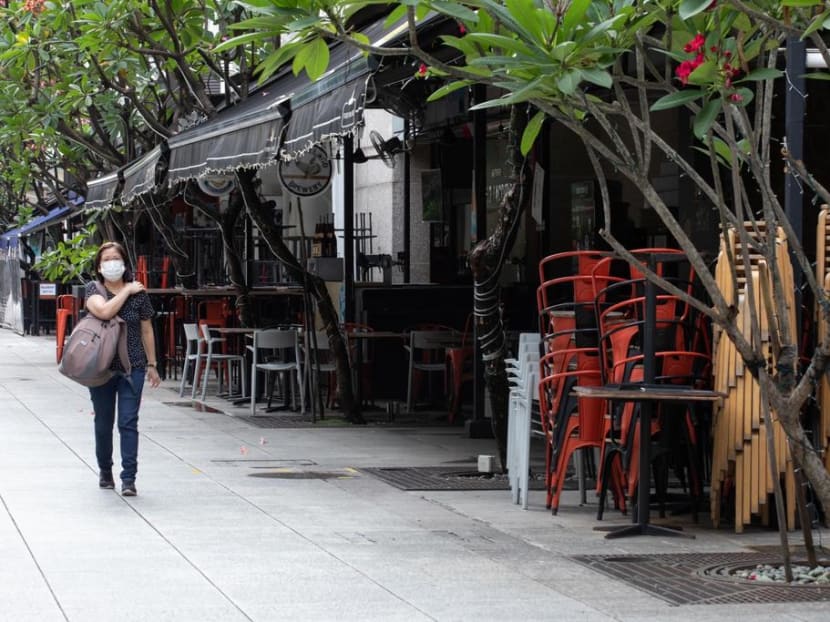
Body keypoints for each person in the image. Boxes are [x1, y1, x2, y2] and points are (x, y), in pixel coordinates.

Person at [85, 242, 160, 496]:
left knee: (128, 422)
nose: (112, 263)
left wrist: (152, 364)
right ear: (99, 266)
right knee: (104, 423)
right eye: (107, 259)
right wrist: (126, 290)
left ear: (124, 263)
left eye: (116, 258)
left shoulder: (140, 294)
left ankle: (129, 478)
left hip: (133, 367)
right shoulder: (93, 290)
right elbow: (105, 312)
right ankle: (105, 470)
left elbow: (147, 329)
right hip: (101, 369)